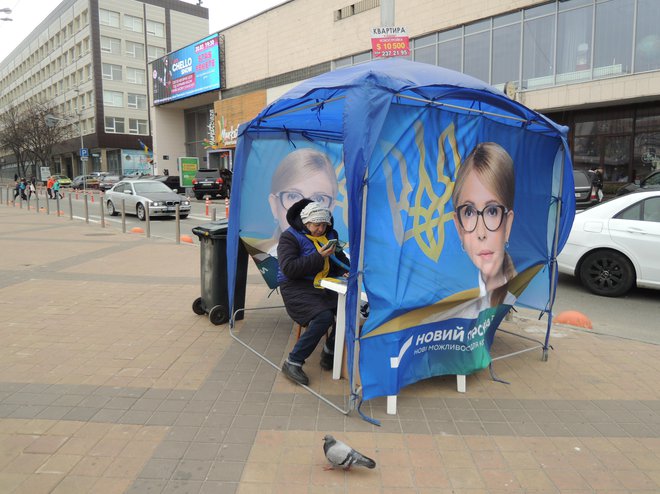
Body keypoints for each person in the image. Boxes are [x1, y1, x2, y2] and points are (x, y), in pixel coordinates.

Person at [277, 199, 350, 386]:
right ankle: (293, 361)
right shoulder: (289, 237)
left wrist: (345, 270)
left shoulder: (330, 234)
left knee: (350, 308)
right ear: (306, 222)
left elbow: (339, 257)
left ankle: (330, 350)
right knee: (324, 317)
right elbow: (289, 269)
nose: (320, 229)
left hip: (324, 283)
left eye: (324, 225)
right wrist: (318, 257)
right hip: (296, 286)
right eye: (317, 225)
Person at [451, 142, 517, 309]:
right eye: (469, 212)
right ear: (459, 228)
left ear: (508, 225)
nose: (481, 233)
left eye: (492, 211)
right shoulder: (452, 295)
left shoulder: (513, 290)